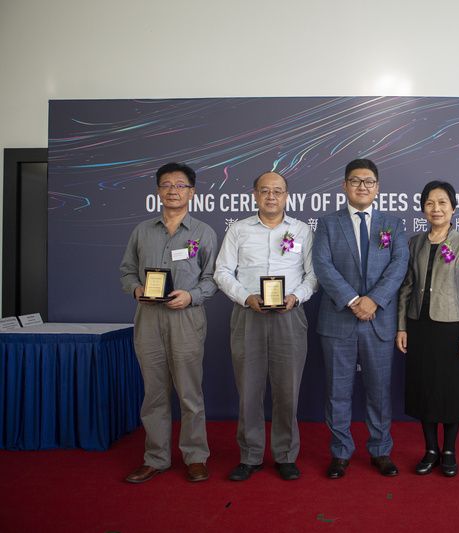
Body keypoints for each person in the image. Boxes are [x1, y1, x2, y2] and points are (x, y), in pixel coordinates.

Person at [214, 171, 317, 482]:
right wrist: (245, 297)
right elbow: (222, 271)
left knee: (288, 390)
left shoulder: (301, 230)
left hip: (289, 315)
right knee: (249, 389)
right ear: (255, 195)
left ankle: (285, 455)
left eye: (278, 191)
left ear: (286, 196)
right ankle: (250, 456)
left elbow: (313, 275)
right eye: (265, 191)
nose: (271, 196)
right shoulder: (238, 230)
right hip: (249, 314)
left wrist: (296, 297)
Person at [119, 162, 218, 483]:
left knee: (189, 393)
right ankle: (156, 458)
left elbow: (212, 278)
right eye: (166, 185)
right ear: (158, 191)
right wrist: (136, 289)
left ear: (192, 192)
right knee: (154, 394)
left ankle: (195, 456)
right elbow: (127, 271)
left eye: (180, 185)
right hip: (148, 319)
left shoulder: (203, 232)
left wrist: (191, 296)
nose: (173, 190)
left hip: (186, 319)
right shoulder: (142, 231)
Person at [313, 158, 408, 479]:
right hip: (338, 319)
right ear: (344, 186)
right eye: (355, 181)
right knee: (337, 391)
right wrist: (354, 300)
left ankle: (380, 450)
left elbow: (399, 265)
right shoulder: (328, 224)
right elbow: (322, 265)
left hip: (378, 321)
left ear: (377, 187)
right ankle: (340, 452)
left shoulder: (393, 224)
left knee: (379, 391)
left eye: (368, 182)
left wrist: (374, 300)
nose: (362, 187)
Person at [396, 181, 459, 477]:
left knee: (451, 390)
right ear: (423, 209)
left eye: (443, 202)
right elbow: (406, 287)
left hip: (452, 328)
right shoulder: (414, 243)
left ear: (453, 208)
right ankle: (431, 449)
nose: (436, 208)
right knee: (425, 389)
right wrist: (401, 326)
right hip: (420, 326)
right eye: (430, 203)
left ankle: (449, 450)